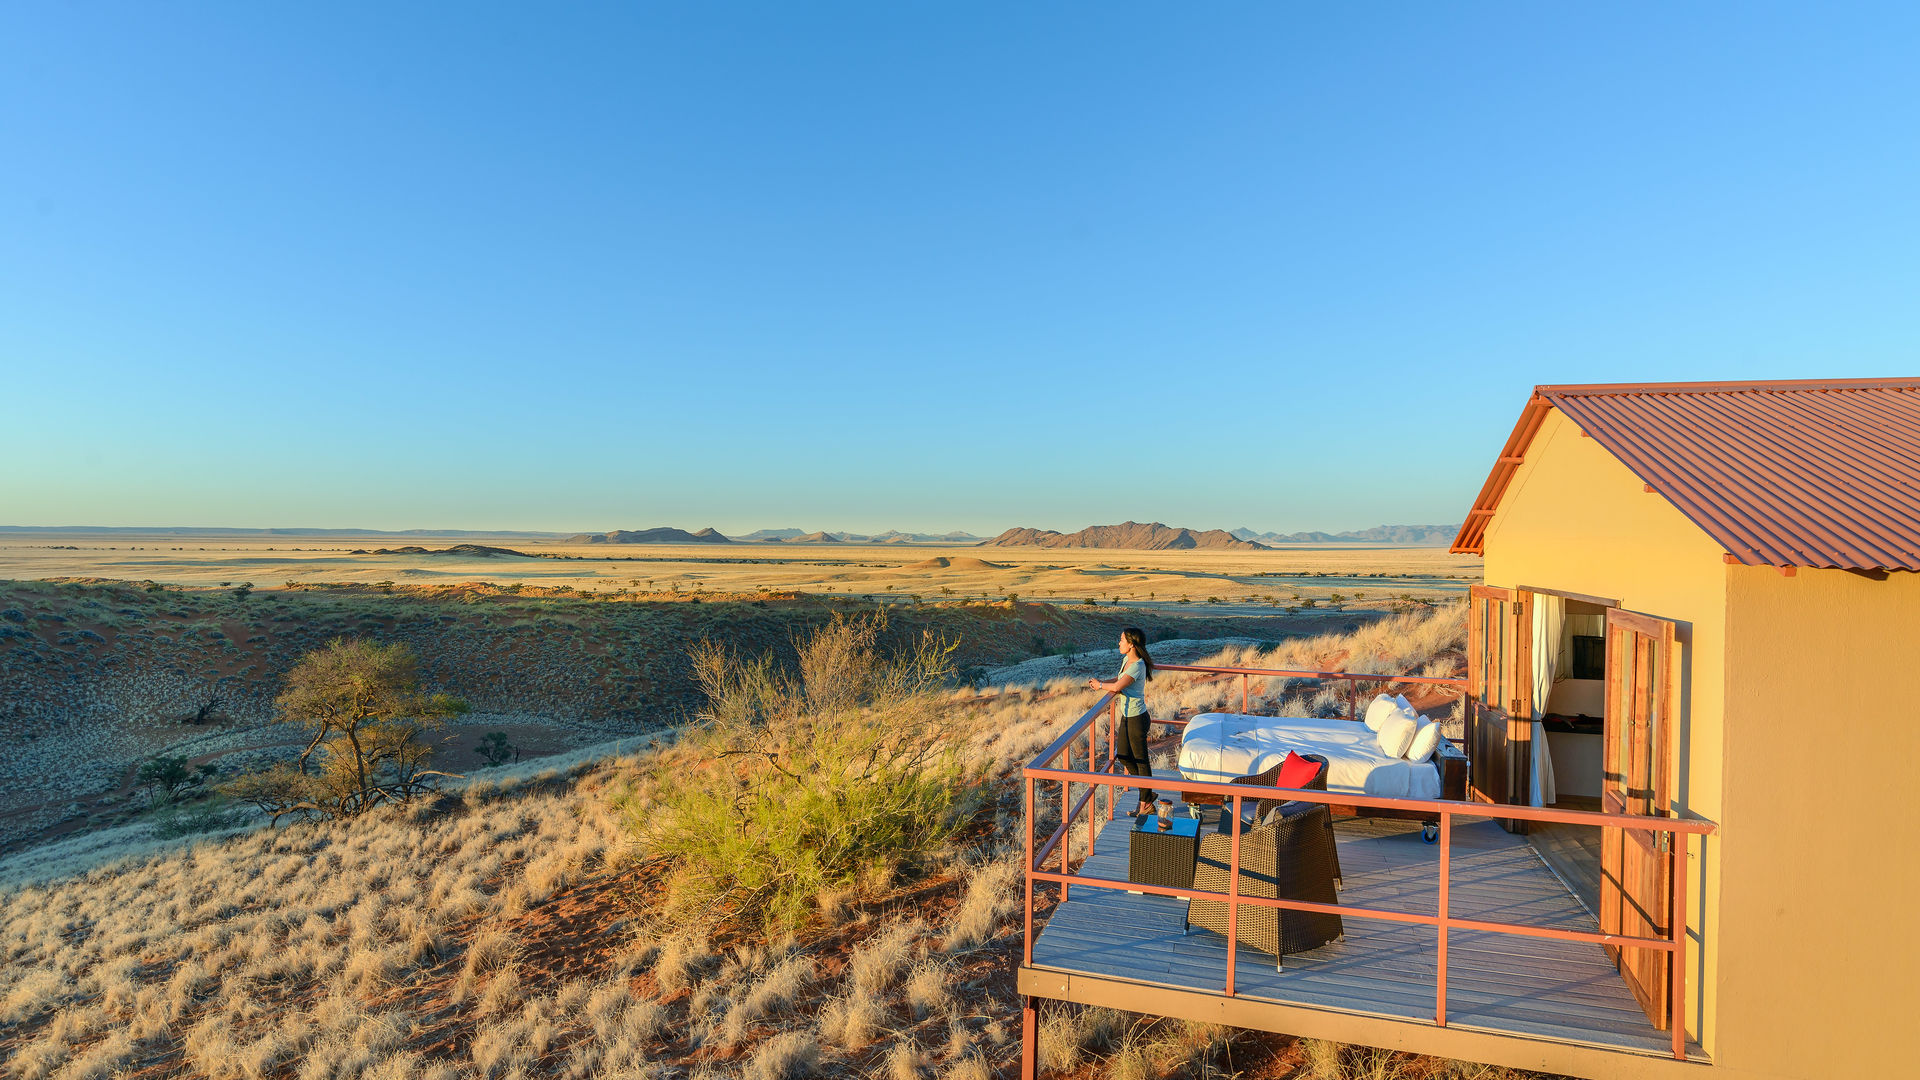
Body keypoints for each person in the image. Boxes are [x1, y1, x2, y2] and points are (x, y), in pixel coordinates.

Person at [1088, 627, 1157, 817]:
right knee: (1124, 755)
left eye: (1121, 640)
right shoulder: (1127, 660)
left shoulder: (1138, 665)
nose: (1119, 643)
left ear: (1131, 644)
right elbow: (1119, 680)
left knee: (1141, 761)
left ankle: (1145, 802)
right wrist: (1103, 682)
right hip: (1127, 716)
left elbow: (1118, 686)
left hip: (1137, 718)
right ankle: (1147, 793)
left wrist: (1101, 686)